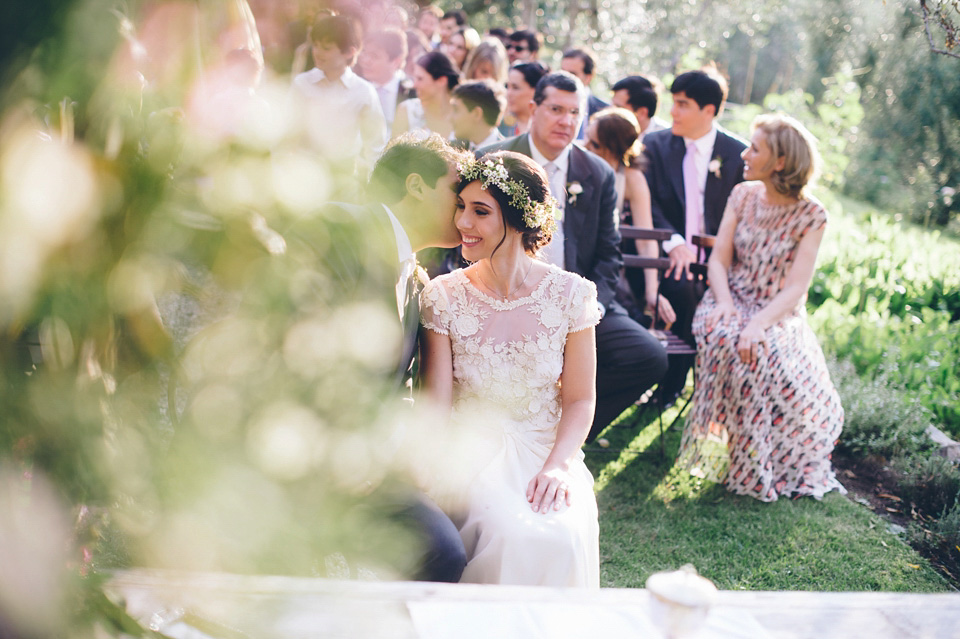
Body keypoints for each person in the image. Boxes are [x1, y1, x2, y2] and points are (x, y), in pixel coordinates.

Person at [296, 133, 473, 581]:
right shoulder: (340, 230)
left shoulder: (415, 276)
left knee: (447, 548)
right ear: (415, 185)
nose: (465, 207)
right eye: (457, 192)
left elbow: (396, 387)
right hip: (302, 451)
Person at [421, 151, 600, 586]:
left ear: (519, 219)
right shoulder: (443, 296)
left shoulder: (571, 295)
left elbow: (580, 399)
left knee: (563, 535)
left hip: (545, 449)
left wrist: (558, 465)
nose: (463, 223)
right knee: (513, 535)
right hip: (473, 454)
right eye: (461, 207)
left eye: (481, 212)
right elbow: (437, 403)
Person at [481, 71, 667, 443]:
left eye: (574, 112)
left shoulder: (597, 172)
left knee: (648, 356)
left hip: (576, 299)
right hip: (504, 297)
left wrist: (584, 310)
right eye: (555, 109)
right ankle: (511, 437)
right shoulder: (494, 160)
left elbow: (608, 253)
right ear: (533, 109)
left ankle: (565, 437)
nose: (566, 121)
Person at [677, 114, 845, 502]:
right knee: (728, 338)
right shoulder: (742, 195)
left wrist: (758, 324)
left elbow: (796, 288)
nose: (744, 153)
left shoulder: (812, 215)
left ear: (781, 161)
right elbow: (718, 262)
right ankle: (740, 456)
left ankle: (769, 459)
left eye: (755, 148)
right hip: (727, 298)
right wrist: (725, 305)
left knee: (768, 353)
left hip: (776, 310)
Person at [642, 67, 746, 403]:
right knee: (683, 285)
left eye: (683, 104)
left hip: (722, 261)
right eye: (674, 102)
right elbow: (649, 204)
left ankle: (695, 387)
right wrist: (673, 243)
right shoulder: (655, 146)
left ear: (709, 111)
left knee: (705, 293)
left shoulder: (738, 155)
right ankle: (671, 384)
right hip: (666, 256)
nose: (672, 111)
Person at [585, 107, 675, 325]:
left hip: (607, 261)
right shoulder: (578, 164)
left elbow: (646, 238)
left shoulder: (631, 178)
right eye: (587, 139)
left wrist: (652, 291)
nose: (585, 147)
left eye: (594, 144)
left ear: (613, 149)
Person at [292, 13, 387, 189]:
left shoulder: (364, 91)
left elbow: (375, 144)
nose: (318, 53)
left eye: (326, 48)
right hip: (303, 173)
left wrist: (375, 184)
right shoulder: (301, 83)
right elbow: (289, 132)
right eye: (316, 46)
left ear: (349, 52)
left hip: (343, 178)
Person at [357, 28, 416, 132]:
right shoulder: (357, 87)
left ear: (396, 61)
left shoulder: (411, 92)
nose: (366, 61)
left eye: (374, 56)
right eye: (365, 53)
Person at [392, 50, 459, 139]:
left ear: (442, 81)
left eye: (420, 79)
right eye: (415, 78)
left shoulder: (462, 115)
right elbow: (393, 151)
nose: (414, 85)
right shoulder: (407, 110)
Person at [560, 48, 610, 141]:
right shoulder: (545, 102)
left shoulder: (605, 111)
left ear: (588, 78)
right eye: (562, 72)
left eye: (572, 74)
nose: (564, 78)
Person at [450, 79, 506, 151]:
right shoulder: (451, 150)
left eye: (456, 110)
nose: (449, 117)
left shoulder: (509, 152)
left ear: (477, 114)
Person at [611, 75, 669, 140]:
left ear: (642, 113)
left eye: (618, 108)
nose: (610, 111)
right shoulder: (608, 129)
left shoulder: (666, 140)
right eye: (612, 105)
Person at [499, 61, 548, 137]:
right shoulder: (498, 124)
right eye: (507, 87)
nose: (508, 93)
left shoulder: (548, 125)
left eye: (515, 88)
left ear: (535, 91)